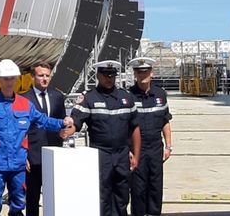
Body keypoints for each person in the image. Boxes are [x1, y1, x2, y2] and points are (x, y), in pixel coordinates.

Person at [0, 59, 72, 216]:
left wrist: (62, 122)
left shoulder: (24, 104)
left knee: (18, 205)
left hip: (18, 165)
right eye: (6, 78)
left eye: (12, 78)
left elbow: (43, 121)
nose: (9, 82)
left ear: (17, 79)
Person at [69, 60, 141, 216]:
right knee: (102, 196)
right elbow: (76, 122)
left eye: (112, 75)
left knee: (122, 196)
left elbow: (134, 127)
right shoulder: (89, 98)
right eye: (105, 75)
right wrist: (68, 129)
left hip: (122, 154)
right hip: (100, 155)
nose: (109, 78)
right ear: (98, 75)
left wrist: (136, 155)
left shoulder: (127, 98)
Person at [127, 57, 172, 216]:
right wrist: (128, 150)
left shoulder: (160, 94)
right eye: (139, 72)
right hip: (137, 150)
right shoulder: (129, 96)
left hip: (155, 149)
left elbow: (165, 122)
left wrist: (168, 146)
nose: (142, 75)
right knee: (138, 189)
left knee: (155, 187)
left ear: (151, 73)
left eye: (145, 71)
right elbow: (125, 126)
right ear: (135, 74)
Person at [20, 61, 65, 216]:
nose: (45, 79)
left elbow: (61, 123)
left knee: (54, 196)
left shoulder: (58, 97)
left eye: (47, 75)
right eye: (41, 75)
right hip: (33, 157)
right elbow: (21, 131)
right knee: (32, 199)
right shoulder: (24, 99)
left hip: (54, 155)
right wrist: (23, 154)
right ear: (33, 77)